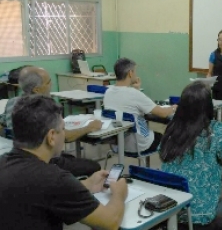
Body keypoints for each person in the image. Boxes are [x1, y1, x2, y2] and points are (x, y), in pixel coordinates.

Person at [0, 95, 128, 230]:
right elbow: (111, 222)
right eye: (63, 128)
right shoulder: (53, 178)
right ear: (51, 137)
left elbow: (43, 193)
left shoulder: (4, 162)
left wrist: (87, 184)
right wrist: (119, 195)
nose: (64, 133)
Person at [159, 81, 222, 230]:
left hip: (169, 211)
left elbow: (162, 153)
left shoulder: (172, 128)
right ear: (208, 105)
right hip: (199, 217)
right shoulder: (214, 130)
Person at [0, 66, 102, 177]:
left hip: (19, 158)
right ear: (37, 90)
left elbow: (2, 125)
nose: (51, 85)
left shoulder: (11, 103)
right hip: (45, 160)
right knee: (94, 166)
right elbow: (66, 137)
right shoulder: (45, 107)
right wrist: (89, 127)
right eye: (48, 82)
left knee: (71, 158)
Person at [104, 57, 176, 153]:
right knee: (169, 139)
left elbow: (129, 105)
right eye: (135, 71)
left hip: (118, 145)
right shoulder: (134, 94)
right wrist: (174, 107)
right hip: (139, 144)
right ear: (130, 73)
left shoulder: (108, 92)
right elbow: (162, 113)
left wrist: (136, 89)